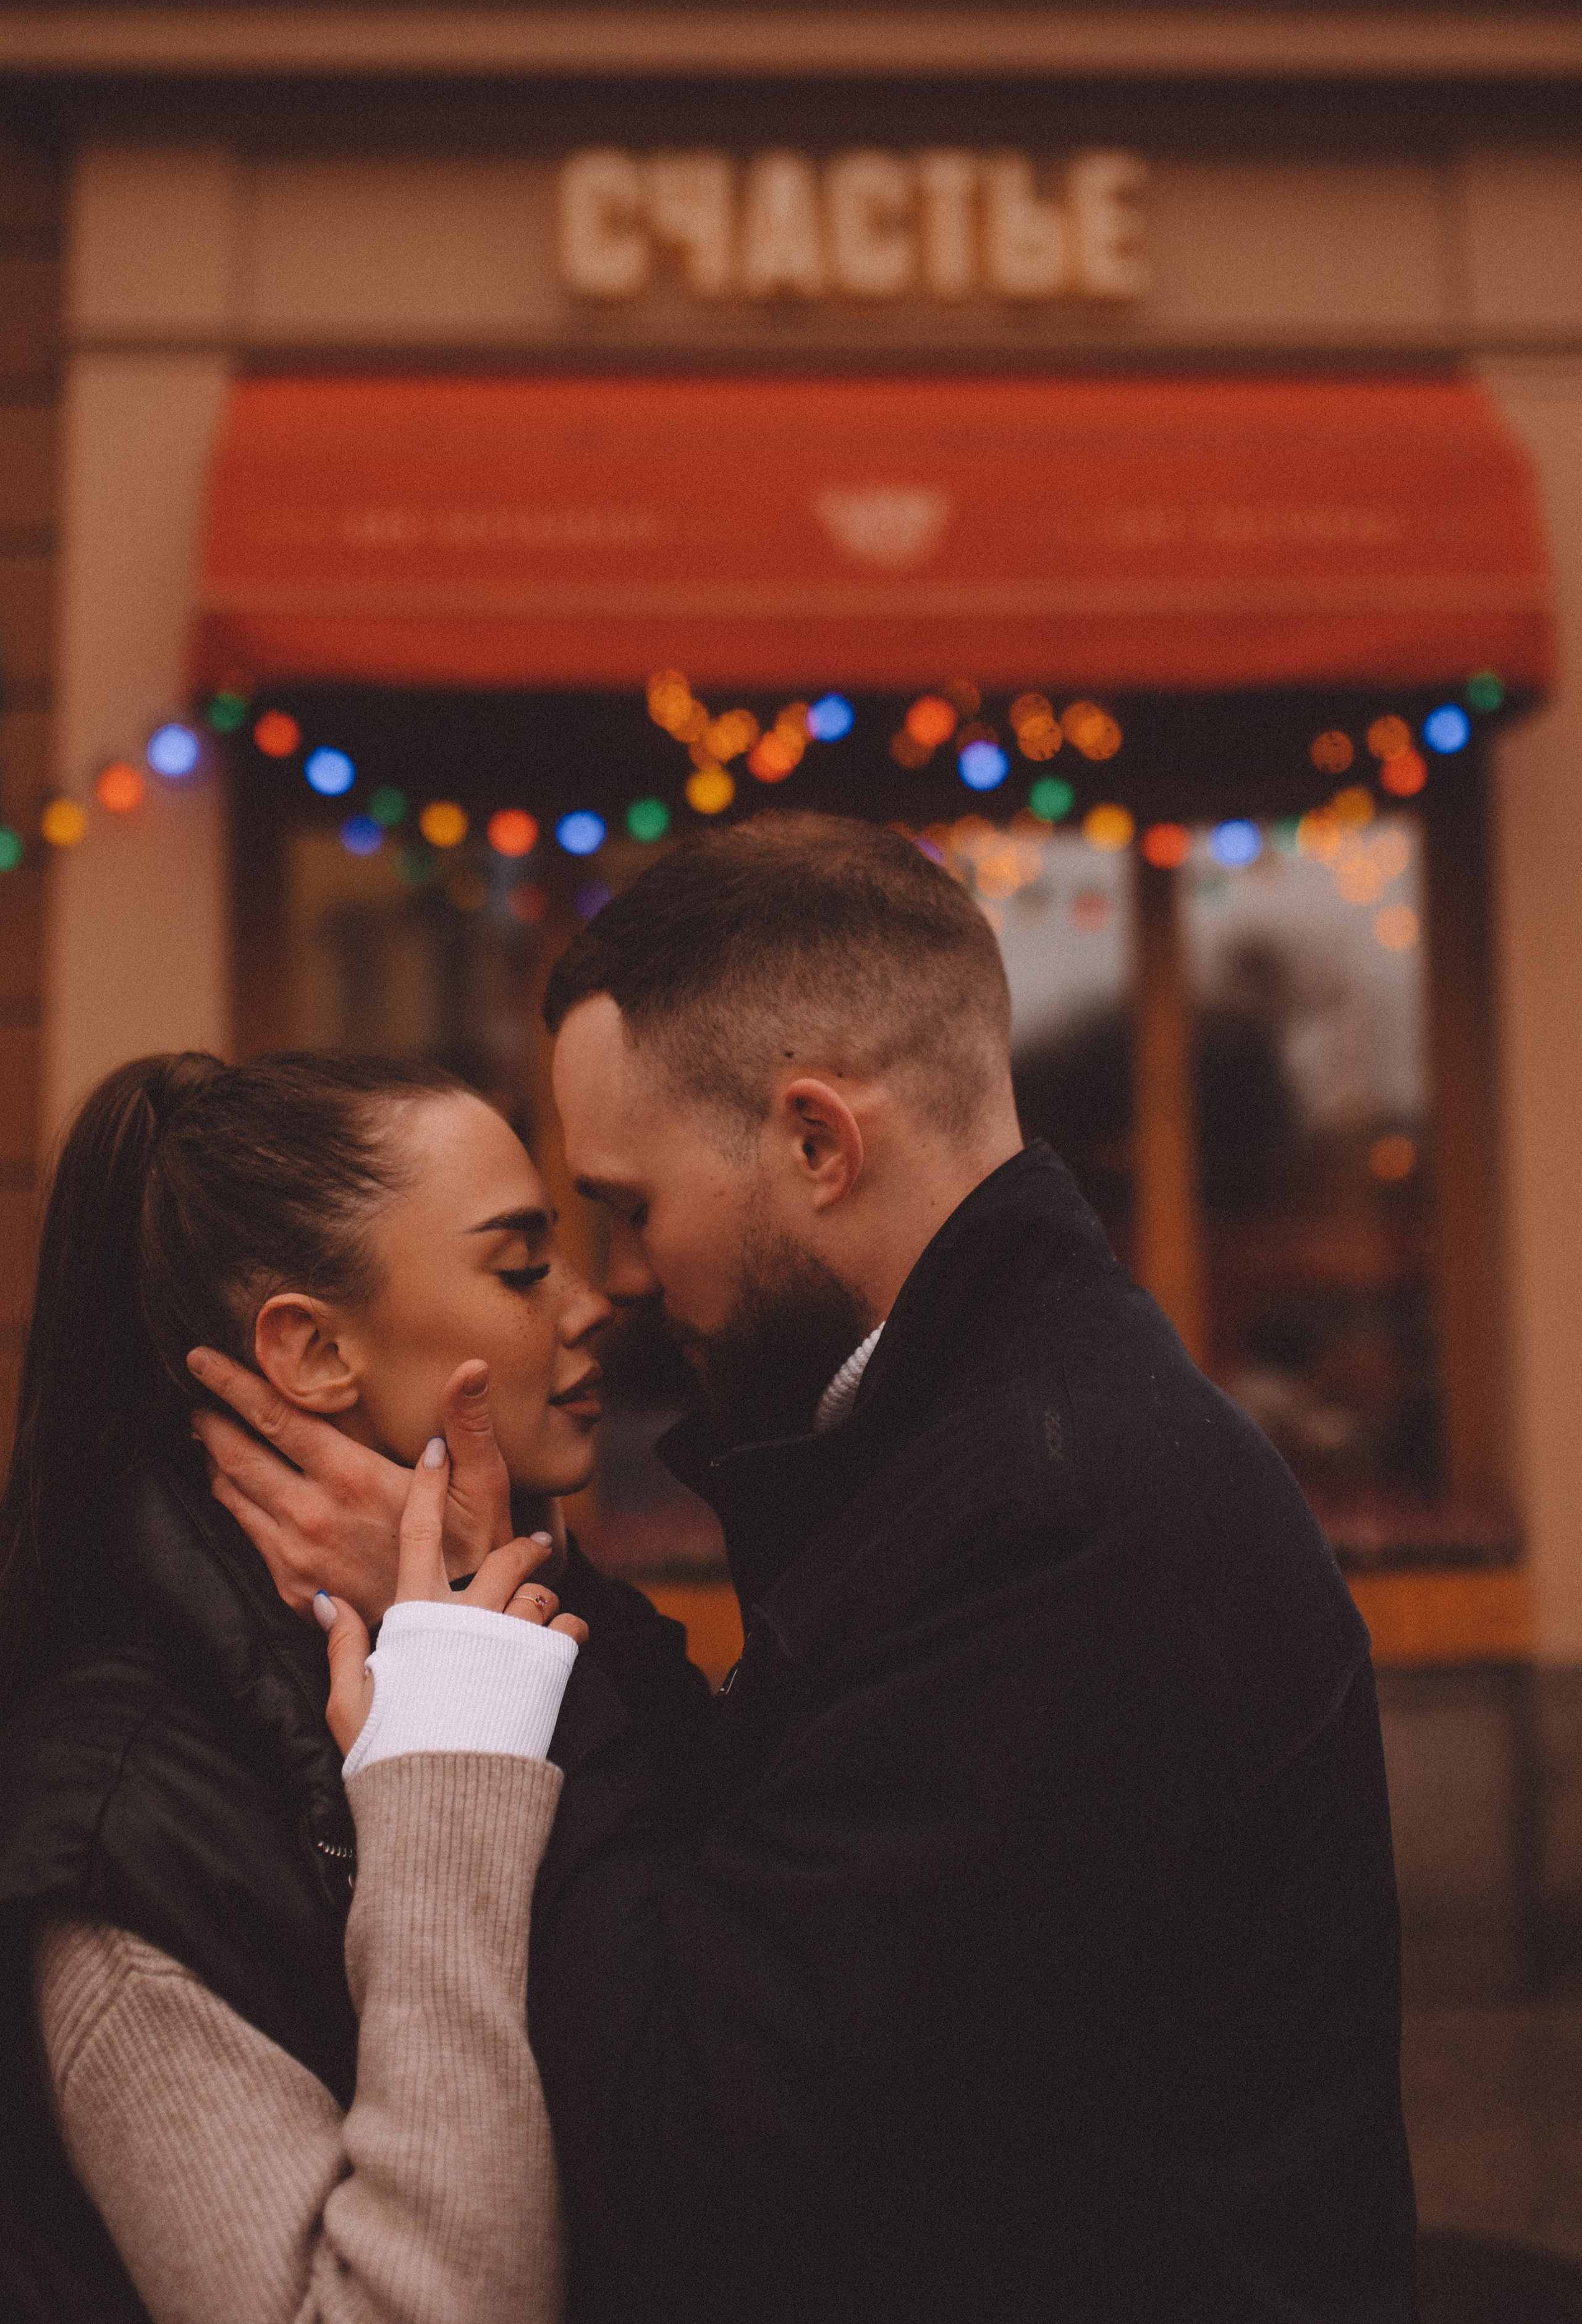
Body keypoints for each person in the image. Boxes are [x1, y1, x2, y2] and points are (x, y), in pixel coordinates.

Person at [195, 812, 1418, 2324]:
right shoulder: (985, 1435)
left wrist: (485, 1676)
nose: (619, 1283)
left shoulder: (1055, 1520)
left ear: (815, 1143)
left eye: (631, 1208)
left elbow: (706, 2143)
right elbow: (777, 1856)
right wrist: (510, 1595)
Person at [0, 1051, 610, 2323]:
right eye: (520, 1264)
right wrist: (440, 1776)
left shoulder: (512, 1632)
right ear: (313, 1347)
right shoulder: (124, 1821)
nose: (592, 1302)